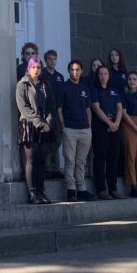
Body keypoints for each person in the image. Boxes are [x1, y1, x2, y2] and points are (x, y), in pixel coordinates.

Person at [15, 56, 54, 204]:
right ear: (28, 68)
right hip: (29, 125)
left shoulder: (45, 84)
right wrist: (39, 122)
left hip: (45, 126)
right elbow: (23, 107)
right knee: (31, 160)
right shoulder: (22, 85)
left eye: (38, 67)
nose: (36, 70)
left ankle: (41, 190)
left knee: (41, 160)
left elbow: (51, 105)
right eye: (33, 67)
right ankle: (32, 193)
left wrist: (49, 122)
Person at [58, 59, 95, 202]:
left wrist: (89, 128)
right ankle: (70, 190)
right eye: (72, 70)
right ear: (69, 71)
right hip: (70, 129)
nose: (75, 72)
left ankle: (82, 189)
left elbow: (88, 109)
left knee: (81, 162)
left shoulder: (85, 88)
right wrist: (63, 127)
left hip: (85, 130)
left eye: (77, 69)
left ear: (81, 71)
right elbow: (59, 109)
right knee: (70, 161)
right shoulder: (64, 87)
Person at [90, 64, 125, 200]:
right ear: (97, 76)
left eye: (105, 74)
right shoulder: (94, 90)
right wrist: (109, 123)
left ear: (109, 76)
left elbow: (120, 108)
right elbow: (96, 108)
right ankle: (101, 189)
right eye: (100, 74)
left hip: (115, 126)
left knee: (113, 157)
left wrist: (116, 123)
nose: (103, 76)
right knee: (100, 157)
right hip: (100, 126)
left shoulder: (114, 90)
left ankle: (113, 188)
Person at [42, 49, 66, 179]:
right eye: (50, 59)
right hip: (46, 112)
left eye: (54, 59)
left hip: (58, 112)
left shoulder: (60, 77)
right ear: (45, 60)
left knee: (57, 140)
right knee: (47, 141)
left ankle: (55, 167)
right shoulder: (42, 74)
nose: (52, 61)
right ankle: (47, 168)